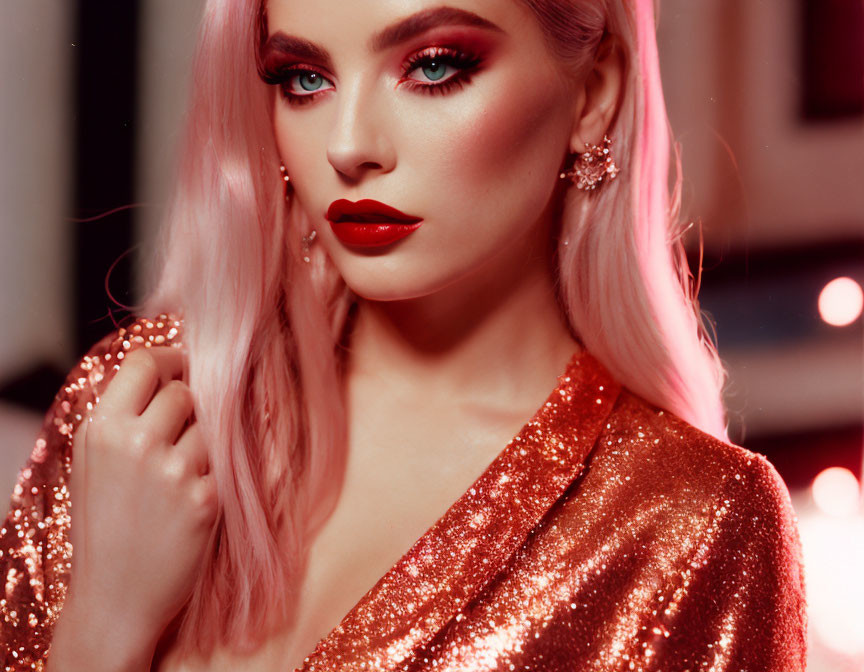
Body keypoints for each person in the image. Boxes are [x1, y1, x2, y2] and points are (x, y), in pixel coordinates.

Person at [1, 0, 807, 670]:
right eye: (304, 78)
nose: (348, 144)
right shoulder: (148, 415)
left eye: (433, 66)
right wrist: (105, 623)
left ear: (594, 94)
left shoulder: (691, 524)